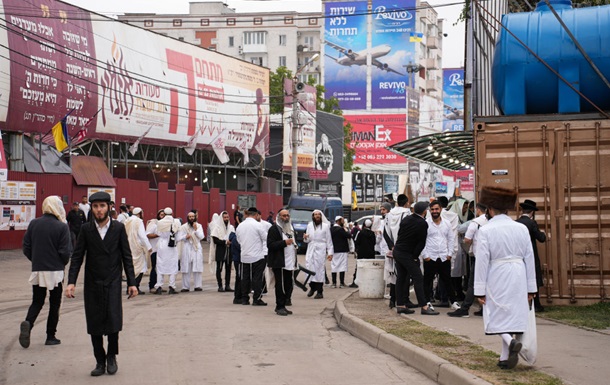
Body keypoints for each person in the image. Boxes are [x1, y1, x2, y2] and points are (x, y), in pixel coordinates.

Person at [65, 191, 138, 376]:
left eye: (102, 206)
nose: (99, 210)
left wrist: (132, 282)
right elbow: (77, 257)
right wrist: (71, 282)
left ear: (109, 207)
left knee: (114, 321)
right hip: (93, 282)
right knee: (94, 322)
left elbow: (126, 256)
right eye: (95, 206)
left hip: (113, 281)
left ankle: (112, 357)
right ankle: (99, 360)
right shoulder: (86, 230)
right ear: (92, 208)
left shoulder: (118, 228)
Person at [474, 186, 537, 370]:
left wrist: (479, 289)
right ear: (507, 209)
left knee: (493, 312)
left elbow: (482, 262)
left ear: (489, 209)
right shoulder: (521, 228)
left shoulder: (486, 230)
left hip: (497, 273)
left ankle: (510, 341)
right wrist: (531, 288)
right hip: (519, 273)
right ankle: (504, 357)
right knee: (510, 314)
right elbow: (530, 258)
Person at [20, 196, 72, 348]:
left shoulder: (34, 224)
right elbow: (65, 251)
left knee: (37, 301)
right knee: (55, 304)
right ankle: (50, 336)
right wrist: (62, 263)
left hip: (38, 269)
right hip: (55, 271)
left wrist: (36, 260)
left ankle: (28, 323)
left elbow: (26, 247)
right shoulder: (62, 226)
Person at [393, 201, 438, 316]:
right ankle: (424, 306)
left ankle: (401, 305)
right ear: (424, 211)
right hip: (407, 254)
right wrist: (414, 257)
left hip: (398, 251)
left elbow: (400, 235)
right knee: (418, 277)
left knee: (401, 278)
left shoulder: (406, 219)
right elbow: (421, 243)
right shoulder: (422, 223)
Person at [448, 203, 488, 317]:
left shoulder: (475, 222)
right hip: (492, 258)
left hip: (478, 257)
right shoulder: (493, 222)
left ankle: (465, 308)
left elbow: (467, 239)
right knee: (489, 283)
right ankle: (484, 308)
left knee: (473, 283)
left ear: (478, 210)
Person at [422, 200, 459, 310]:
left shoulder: (447, 223)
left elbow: (451, 239)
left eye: (436, 209)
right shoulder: (426, 223)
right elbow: (422, 240)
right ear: (430, 211)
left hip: (444, 256)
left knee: (447, 280)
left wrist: (449, 253)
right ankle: (427, 302)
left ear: (441, 209)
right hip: (430, 256)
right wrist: (425, 255)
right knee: (427, 281)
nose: (434, 211)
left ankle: (453, 302)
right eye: (432, 209)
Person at [516, 199, 547, 312]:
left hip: (519, 255)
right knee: (534, 277)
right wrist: (543, 233)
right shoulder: (532, 223)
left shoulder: (516, 222)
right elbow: (541, 238)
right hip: (531, 254)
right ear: (532, 212)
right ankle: (536, 304)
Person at [267, 209, 297, 316]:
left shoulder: (290, 228)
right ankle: (279, 306)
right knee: (280, 285)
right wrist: (284, 243)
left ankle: (283, 304)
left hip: (290, 262)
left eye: (287, 216)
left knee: (288, 285)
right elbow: (270, 245)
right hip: (279, 262)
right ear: (279, 217)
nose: (286, 218)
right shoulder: (274, 229)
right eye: (284, 216)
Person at [235, 207, 268, 306]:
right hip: (257, 256)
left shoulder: (240, 226)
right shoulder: (258, 225)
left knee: (245, 278)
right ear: (256, 215)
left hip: (244, 256)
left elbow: (238, 240)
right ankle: (256, 299)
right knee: (257, 278)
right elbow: (266, 238)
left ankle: (245, 299)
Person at [303, 209, 334, 299]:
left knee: (319, 270)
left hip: (320, 249)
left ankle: (320, 291)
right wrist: (305, 238)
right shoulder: (309, 225)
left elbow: (329, 240)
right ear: (313, 216)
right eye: (315, 215)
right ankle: (312, 288)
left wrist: (330, 253)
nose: (317, 216)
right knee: (309, 268)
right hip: (311, 249)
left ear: (321, 216)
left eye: (318, 215)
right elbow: (307, 240)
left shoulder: (325, 226)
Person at [124, 207, 152, 294]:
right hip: (137, 247)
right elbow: (142, 235)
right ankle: (136, 286)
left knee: (130, 267)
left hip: (128, 246)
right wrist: (148, 246)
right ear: (139, 213)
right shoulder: (138, 221)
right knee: (141, 267)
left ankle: (129, 286)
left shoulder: (127, 220)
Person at [153, 208, 181, 295]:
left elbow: (158, 233)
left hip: (162, 245)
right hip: (172, 245)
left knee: (160, 265)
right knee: (173, 266)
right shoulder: (176, 222)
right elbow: (179, 237)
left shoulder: (160, 222)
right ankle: (171, 286)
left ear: (164, 213)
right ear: (172, 213)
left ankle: (159, 287)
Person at [177, 211, 205, 292]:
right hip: (187, 248)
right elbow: (178, 237)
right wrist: (185, 237)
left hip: (196, 248)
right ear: (187, 218)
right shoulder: (183, 227)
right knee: (186, 267)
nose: (192, 218)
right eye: (190, 217)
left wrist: (196, 230)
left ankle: (198, 286)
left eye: (193, 217)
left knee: (197, 268)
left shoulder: (199, 226)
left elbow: (202, 237)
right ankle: (185, 287)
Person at [378, 202, 396, 308]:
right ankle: (391, 295)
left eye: (383, 209)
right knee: (389, 272)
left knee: (393, 273)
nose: (382, 212)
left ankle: (393, 296)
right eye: (381, 210)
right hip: (386, 250)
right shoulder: (383, 221)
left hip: (393, 249)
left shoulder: (392, 219)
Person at [211, 211, 236, 292]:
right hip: (220, 251)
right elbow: (215, 240)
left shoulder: (231, 227)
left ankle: (227, 285)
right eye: (224, 217)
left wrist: (230, 241)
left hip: (229, 251)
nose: (226, 219)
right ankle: (220, 286)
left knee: (228, 269)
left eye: (227, 217)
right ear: (221, 218)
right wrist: (225, 242)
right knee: (219, 269)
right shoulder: (217, 227)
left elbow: (234, 237)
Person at [146, 209, 165, 293]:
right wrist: (157, 235)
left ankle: (159, 285)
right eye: (161, 215)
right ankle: (152, 286)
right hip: (154, 250)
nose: (163, 216)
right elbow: (148, 234)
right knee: (154, 268)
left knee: (161, 269)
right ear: (158, 215)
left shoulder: (166, 225)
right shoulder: (154, 224)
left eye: (164, 215)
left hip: (163, 250)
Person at [330, 216, 351, 288]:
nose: (343, 222)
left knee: (334, 266)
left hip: (333, 250)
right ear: (339, 221)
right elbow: (348, 235)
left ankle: (334, 283)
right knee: (342, 266)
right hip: (342, 250)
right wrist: (346, 229)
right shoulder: (341, 229)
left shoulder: (331, 229)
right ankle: (341, 283)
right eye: (342, 221)